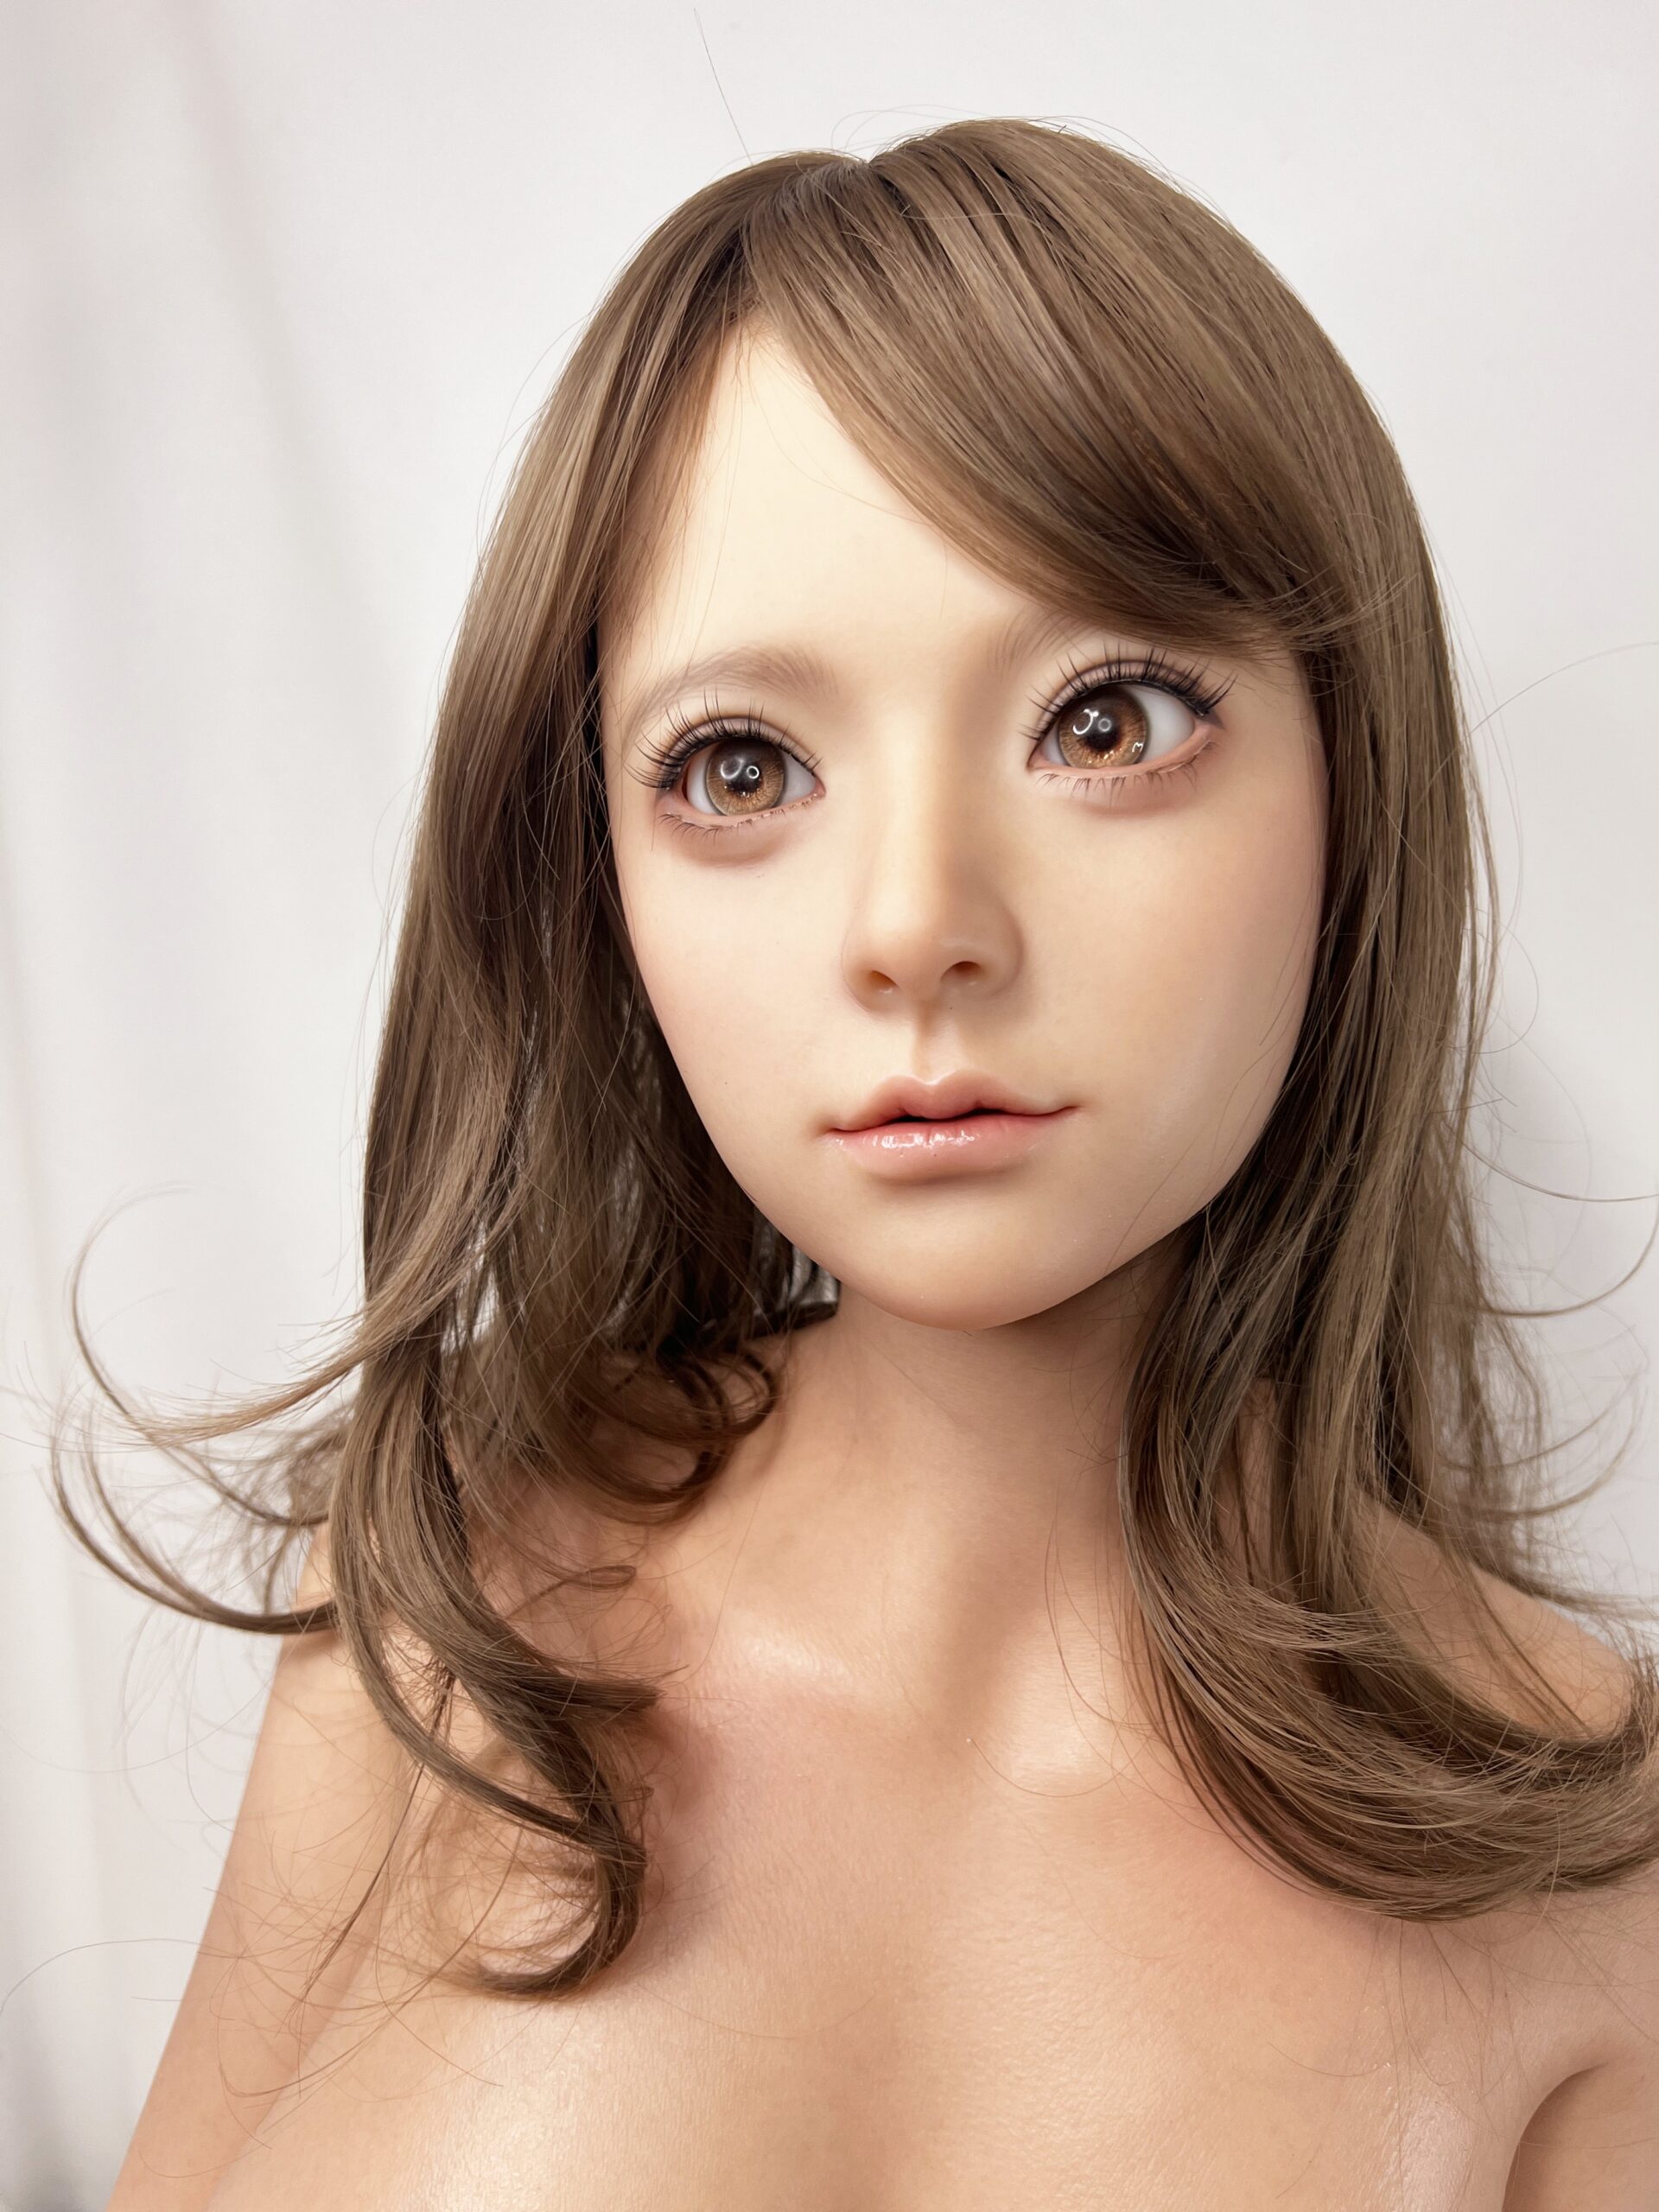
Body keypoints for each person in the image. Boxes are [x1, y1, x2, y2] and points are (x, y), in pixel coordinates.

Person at [68, 118, 1659, 2208]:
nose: (916, 924)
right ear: (589, 868)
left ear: (1353, 781)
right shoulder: (429, 1615)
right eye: (742, 765)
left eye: (1105, 721)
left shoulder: (1593, 1858)